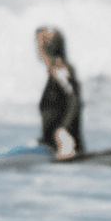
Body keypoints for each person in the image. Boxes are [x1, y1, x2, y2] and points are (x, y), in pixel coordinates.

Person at [35, 26, 84, 159]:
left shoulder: (60, 70)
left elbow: (74, 100)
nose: (36, 50)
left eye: (38, 44)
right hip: (52, 150)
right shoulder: (55, 72)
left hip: (66, 151)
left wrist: (63, 131)